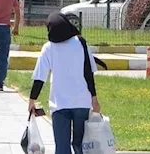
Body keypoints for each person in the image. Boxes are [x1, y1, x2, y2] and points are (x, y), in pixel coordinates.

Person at [29, 13, 103, 154]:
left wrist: (32, 100)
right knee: (81, 145)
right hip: (82, 102)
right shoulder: (81, 43)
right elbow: (88, 73)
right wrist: (94, 98)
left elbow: (39, 78)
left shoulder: (48, 48)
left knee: (62, 147)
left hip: (59, 104)